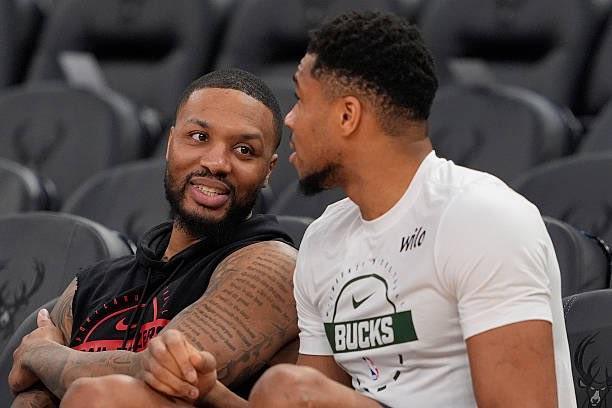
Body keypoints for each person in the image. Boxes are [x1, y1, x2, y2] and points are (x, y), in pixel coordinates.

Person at [248, 10, 576, 408]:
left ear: (347, 116)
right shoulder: (323, 239)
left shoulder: (481, 218)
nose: (289, 119)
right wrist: (207, 392)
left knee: (286, 388)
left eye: (300, 100)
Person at [8, 69, 299, 407]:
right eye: (199, 137)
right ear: (170, 143)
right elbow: (22, 384)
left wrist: (41, 353)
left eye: (244, 150)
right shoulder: (90, 286)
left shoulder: (272, 267)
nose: (217, 163)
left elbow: (160, 378)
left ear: (268, 170)